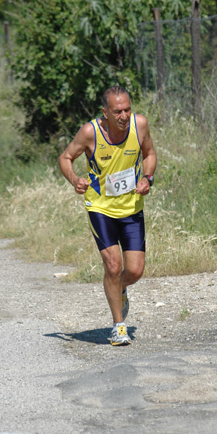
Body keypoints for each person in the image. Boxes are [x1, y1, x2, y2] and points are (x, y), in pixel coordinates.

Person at [58, 86, 157, 346]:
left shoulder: (140, 125)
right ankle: (118, 326)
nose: (124, 116)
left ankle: (119, 288)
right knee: (112, 266)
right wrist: (74, 180)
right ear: (105, 112)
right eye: (117, 112)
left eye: (127, 109)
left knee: (134, 271)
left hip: (132, 208)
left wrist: (148, 178)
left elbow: (149, 154)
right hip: (100, 208)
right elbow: (66, 157)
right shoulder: (90, 132)